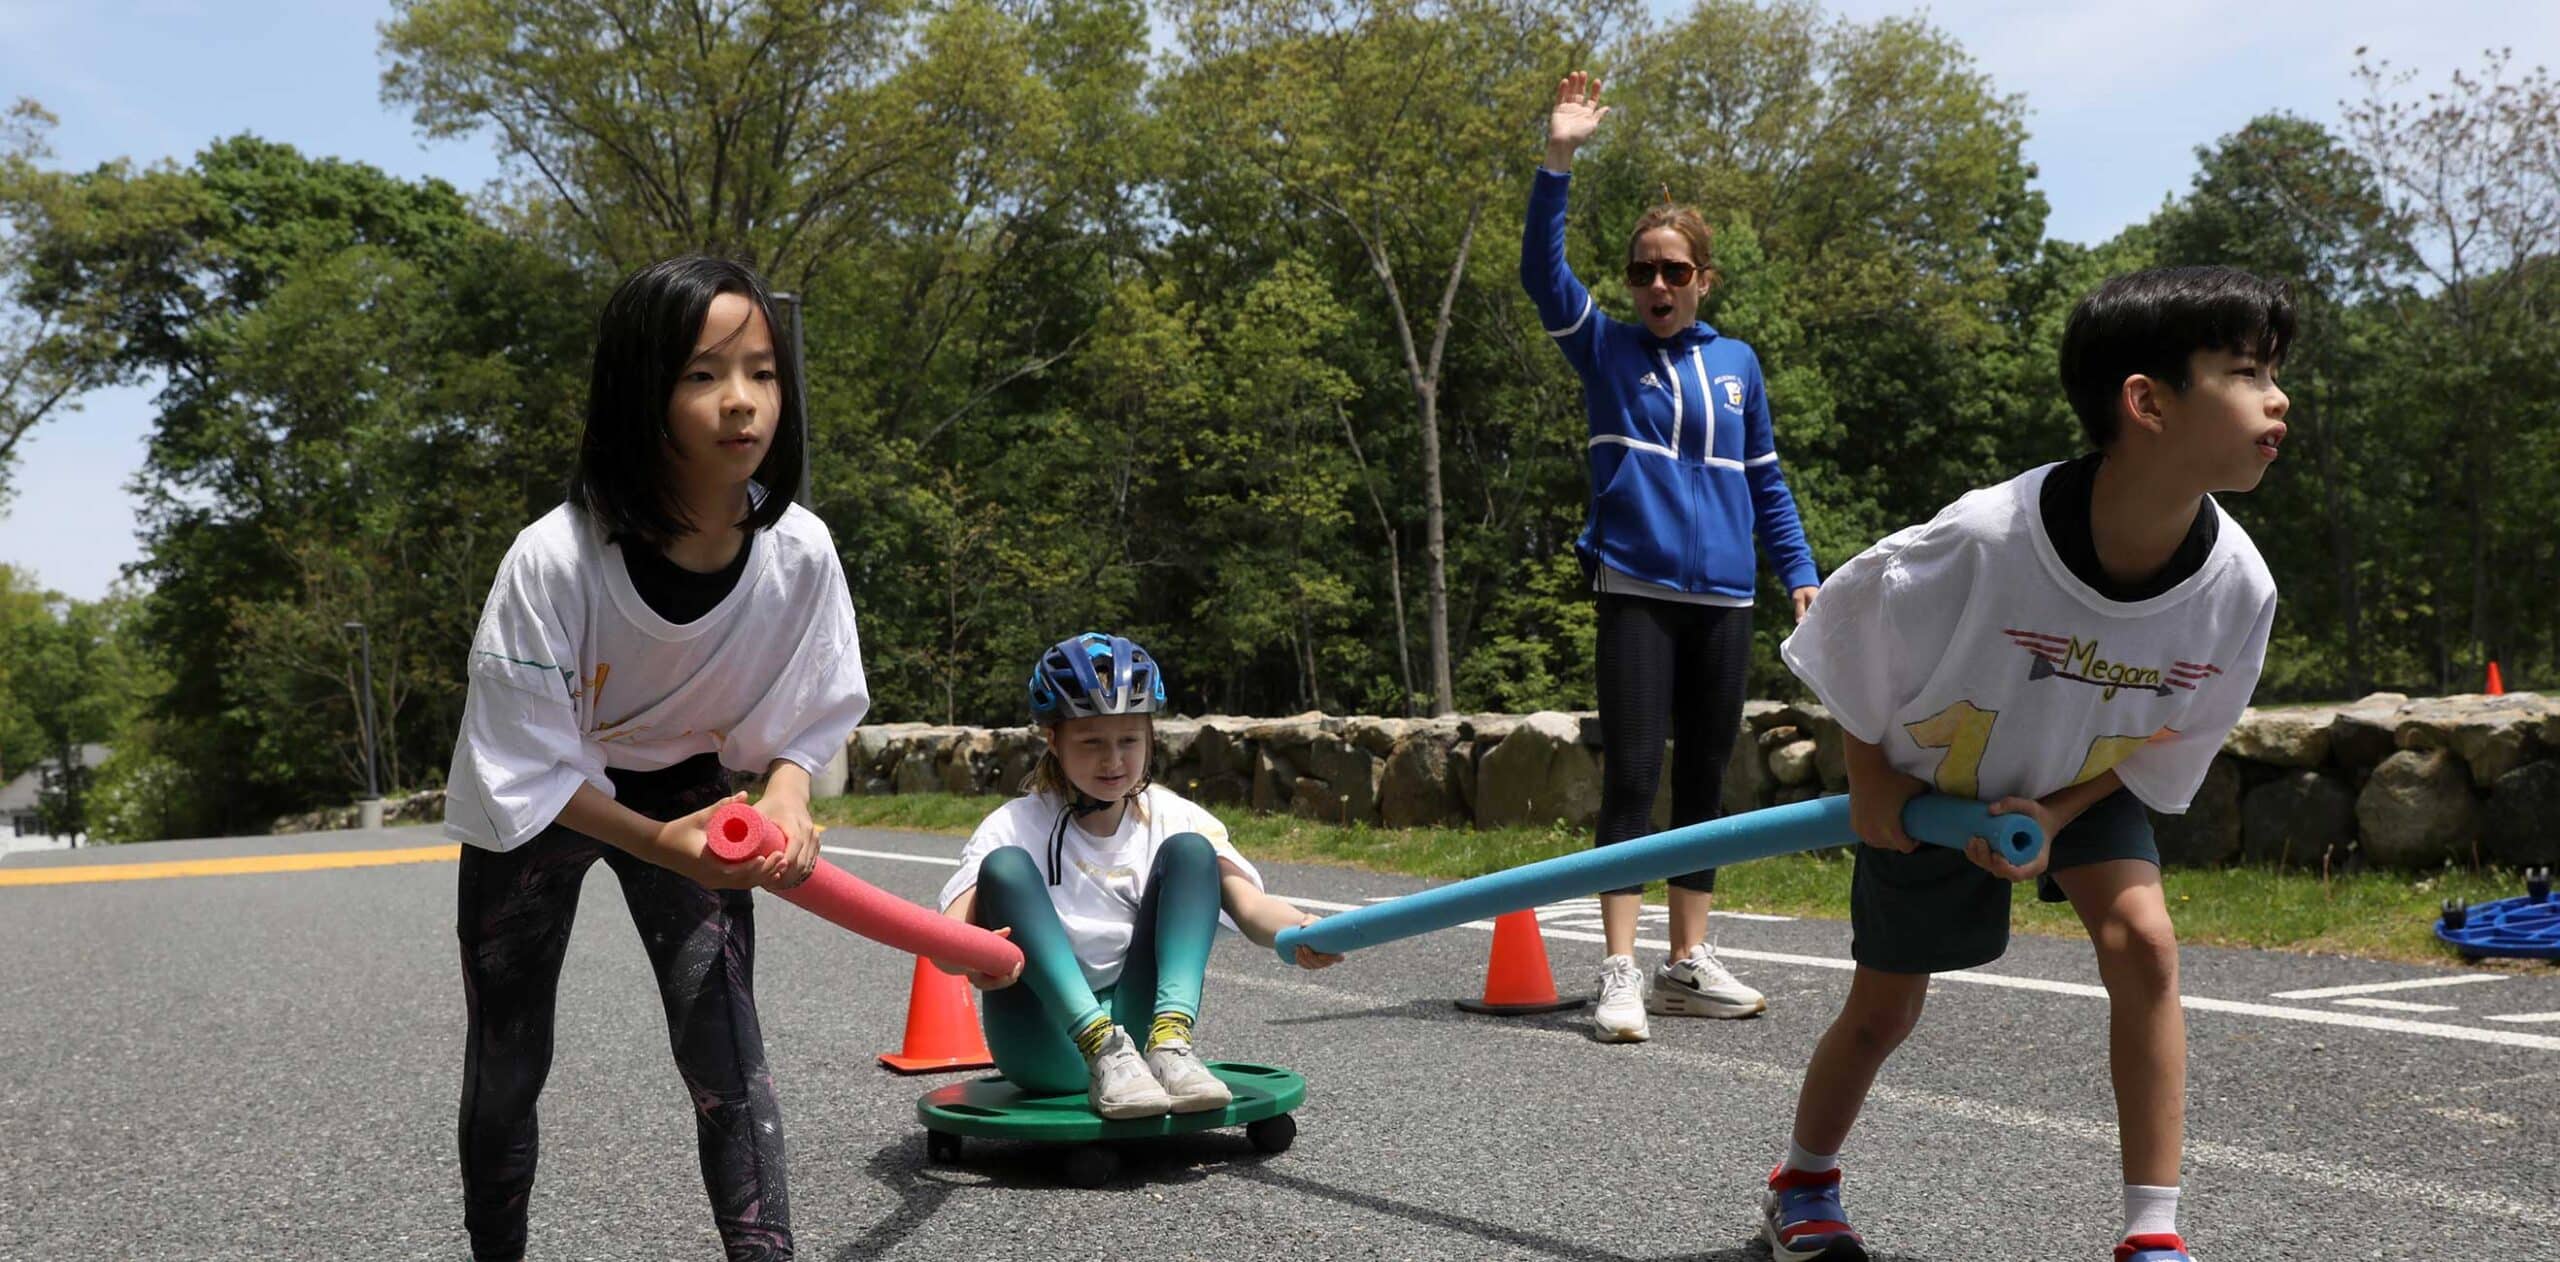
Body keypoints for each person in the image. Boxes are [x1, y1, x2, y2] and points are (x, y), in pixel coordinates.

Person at [1760, 265, 2290, 1262]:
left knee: (2144, 942)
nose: (2278, 396)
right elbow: (1844, 627)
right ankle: (1802, 1177)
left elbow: (2171, 735)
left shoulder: (2237, 588)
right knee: (1884, 1007)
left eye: (2275, 372)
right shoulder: (1983, 540)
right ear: (2148, 403)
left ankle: (2152, 1231)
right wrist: (1874, 778)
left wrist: (2061, 810)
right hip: (1935, 785)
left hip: (2084, 778)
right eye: (2245, 371)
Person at [442, 255, 869, 1262]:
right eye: (701, 375)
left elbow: (812, 711)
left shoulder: (799, 552)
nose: (742, 402)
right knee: (510, 1057)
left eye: (761, 371)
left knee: (728, 1053)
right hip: (551, 806)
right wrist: (657, 841)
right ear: (641, 392)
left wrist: (793, 794)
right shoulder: (552, 559)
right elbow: (525, 764)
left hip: (686, 783)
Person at [1523, 71, 1822, 1042]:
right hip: (1636, 591)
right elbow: (1539, 273)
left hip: (1727, 598)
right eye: (1645, 270)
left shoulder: (1738, 367)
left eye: (1675, 271)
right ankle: (1618, 968)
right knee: (1631, 779)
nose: (1657, 285)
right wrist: (1558, 155)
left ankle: (1685, 960)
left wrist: (1801, 573)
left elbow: (1767, 482)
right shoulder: (1603, 350)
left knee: (1704, 782)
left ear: (1703, 280)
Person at [932, 633, 1339, 1118]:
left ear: (1150, 737)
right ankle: (1098, 1043)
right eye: (1091, 742)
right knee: (1005, 866)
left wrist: (1300, 930)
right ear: (1053, 741)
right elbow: (947, 942)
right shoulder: (1012, 825)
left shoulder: (1174, 815)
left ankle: (1171, 1042)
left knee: (1192, 852)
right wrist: (972, 958)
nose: (1113, 760)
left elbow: (1249, 906)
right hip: (1044, 1045)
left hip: (1140, 1034)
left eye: (1129, 740)